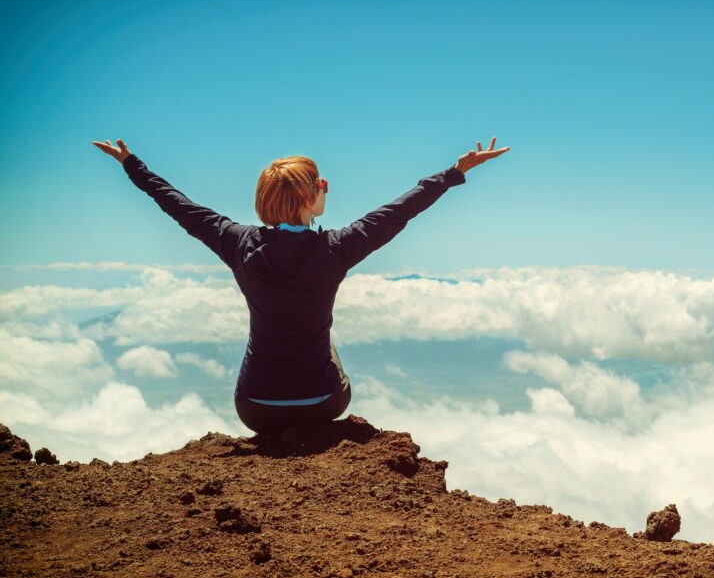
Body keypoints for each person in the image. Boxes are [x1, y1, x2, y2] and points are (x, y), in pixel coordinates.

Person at [91, 136, 511, 437]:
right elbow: (400, 210)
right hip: (323, 404)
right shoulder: (338, 248)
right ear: (311, 197)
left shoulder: (235, 242)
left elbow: (176, 203)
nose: (325, 189)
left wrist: (132, 163)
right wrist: (455, 172)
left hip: (255, 409)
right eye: (322, 185)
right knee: (324, 339)